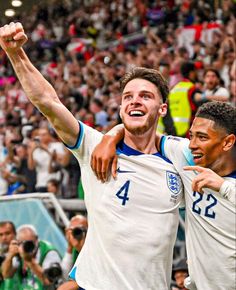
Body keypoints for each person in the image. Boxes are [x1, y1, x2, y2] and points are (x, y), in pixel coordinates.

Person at [0, 22, 184, 289]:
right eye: (128, 97)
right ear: (121, 108)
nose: (135, 101)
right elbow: (49, 103)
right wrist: (15, 54)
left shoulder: (180, 157)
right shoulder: (94, 146)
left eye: (146, 96)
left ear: (163, 108)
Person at [91, 101, 236, 290]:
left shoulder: (227, 185)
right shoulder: (187, 157)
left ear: (228, 142)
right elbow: (142, 135)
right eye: (191, 136)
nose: (192, 144)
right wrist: (109, 138)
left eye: (202, 137)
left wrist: (224, 187)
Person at [1, 224, 62, 290]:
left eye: (30, 243)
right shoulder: (19, 250)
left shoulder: (48, 251)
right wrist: (10, 255)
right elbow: (6, 274)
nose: (27, 246)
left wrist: (29, 261)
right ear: (18, 242)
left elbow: (49, 281)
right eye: (22, 242)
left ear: (37, 238)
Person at [61, 214, 88, 280]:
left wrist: (79, 247)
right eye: (74, 230)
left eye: (79, 230)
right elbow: (64, 275)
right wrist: (69, 247)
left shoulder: (94, 245)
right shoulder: (73, 249)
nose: (76, 233)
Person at [0, 221, 20, 290]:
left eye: (7, 233)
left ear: (15, 234)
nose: (4, 238)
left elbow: (8, 274)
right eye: (1, 235)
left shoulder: (23, 252)